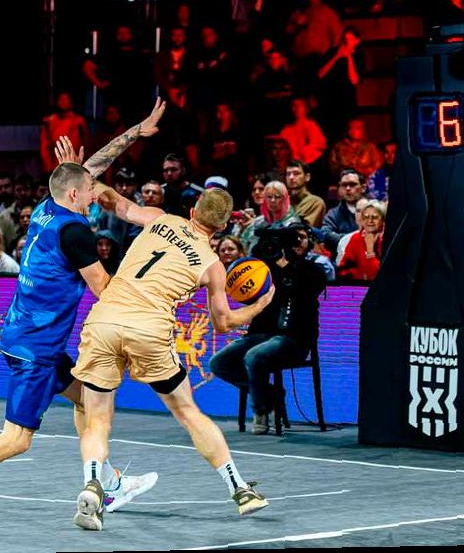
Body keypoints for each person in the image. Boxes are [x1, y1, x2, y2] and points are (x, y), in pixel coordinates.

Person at [0, 99, 167, 527]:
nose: (96, 197)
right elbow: (105, 290)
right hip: (36, 351)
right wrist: (154, 288)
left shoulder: (49, 206)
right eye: (91, 192)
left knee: (90, 399)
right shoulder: (76, 232)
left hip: (25, 336)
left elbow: (90, 167)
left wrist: (137, 130)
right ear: (75, 194)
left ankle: (108, 483)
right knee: (16, 439)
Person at [65, 170, 275, 530]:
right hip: (149, 329)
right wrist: (259, 305)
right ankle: (240, 489)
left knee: (96, 417)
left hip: (104, 320)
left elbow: (113, 201)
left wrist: (85, 176)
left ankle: (93, 486)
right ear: (223, 226)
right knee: (188, 411)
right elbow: (223, 323)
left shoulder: (160, 218)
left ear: (192, 210)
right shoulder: (212, 265)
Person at [210, 221, 326, 434]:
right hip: (259, 335)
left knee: (254, 356)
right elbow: (245, 292)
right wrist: (260, 249)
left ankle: (261, 410)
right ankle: (271, 395)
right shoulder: (263, 270)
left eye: (301, 238)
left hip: (294, 339)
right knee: (219, 363)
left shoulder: (314, 268)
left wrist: (286, 263)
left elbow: (307, 287)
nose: (297, 242)